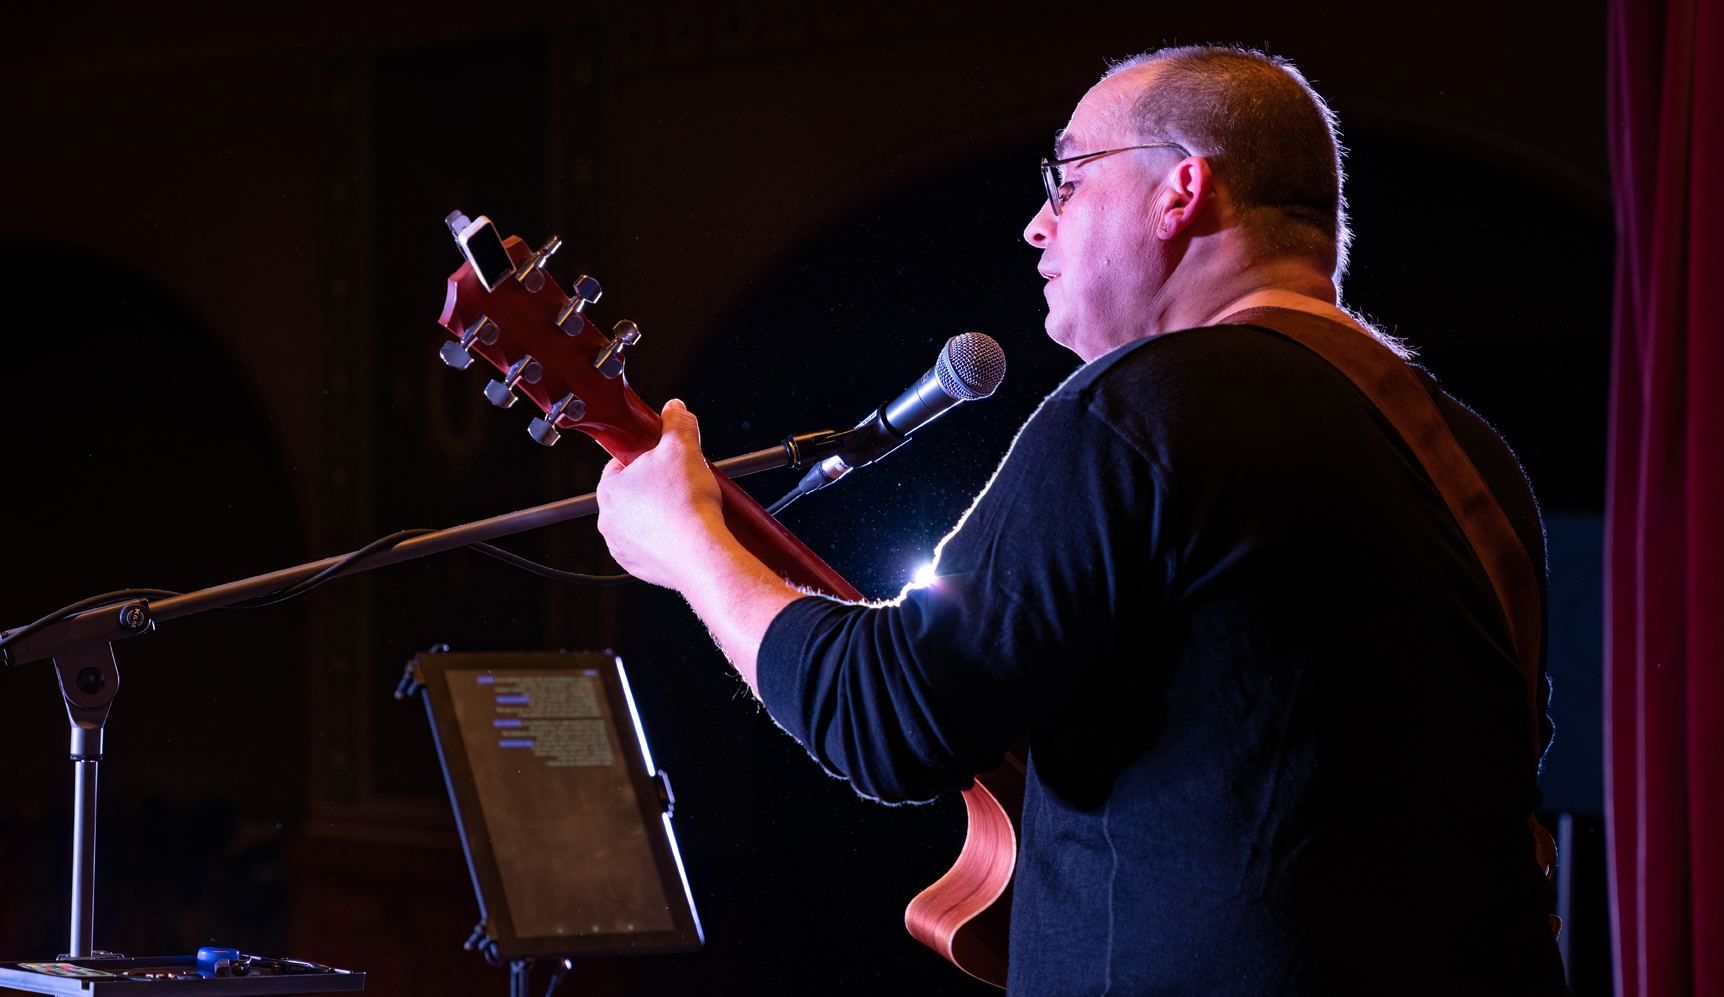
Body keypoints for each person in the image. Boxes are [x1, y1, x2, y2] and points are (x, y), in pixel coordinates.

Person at [595, 46, 1568, 996]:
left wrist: (689, 546)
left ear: (1180, 191)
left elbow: (888, 715)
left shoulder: (1145, 405)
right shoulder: (1468, 456)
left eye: (1064, 180)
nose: (1033, 224)